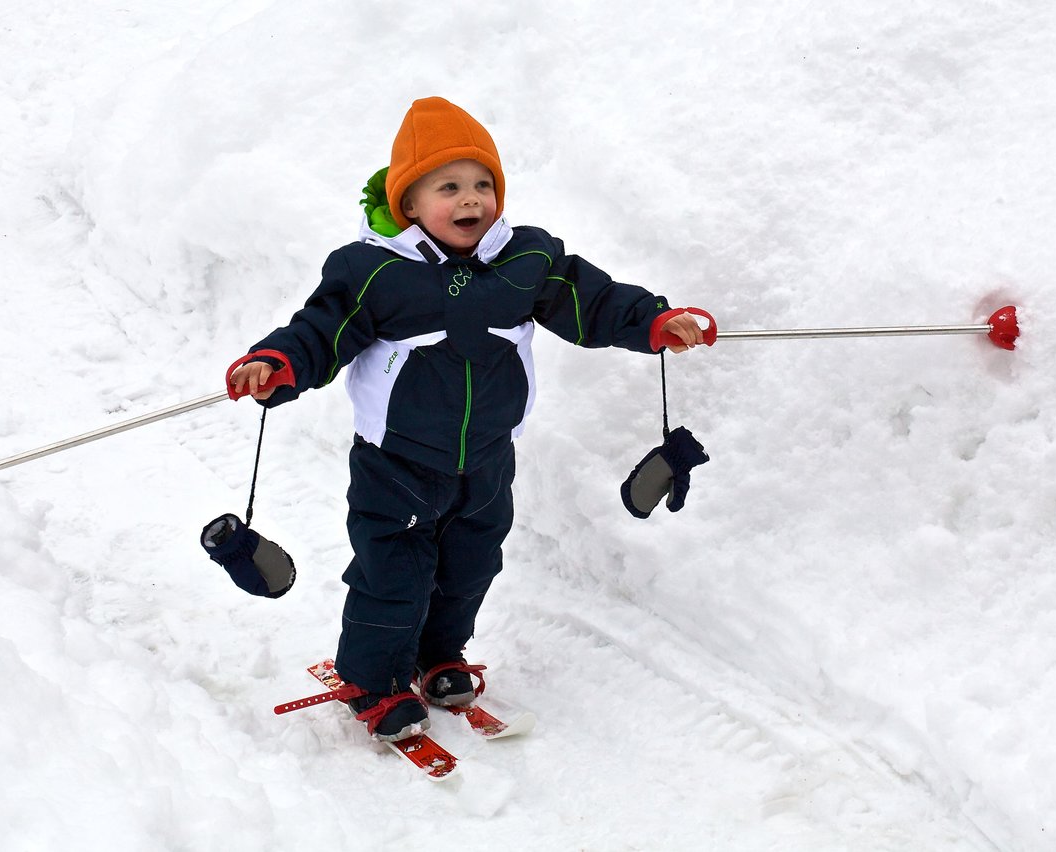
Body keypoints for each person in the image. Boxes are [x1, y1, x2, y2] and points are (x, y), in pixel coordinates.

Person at [230, 96, 704, 742]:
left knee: (469, 567)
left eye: (483, 184)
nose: (471, 199)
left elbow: (590, 302)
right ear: (409, 203)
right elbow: (321, 330)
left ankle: (438, 654)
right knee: (393, 574)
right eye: (448, 187)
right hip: (395, 462)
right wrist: (277, 363)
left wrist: (652, 321)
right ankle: (374, 680)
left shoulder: (526, 260)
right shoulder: (372, 272)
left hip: (486, 460)